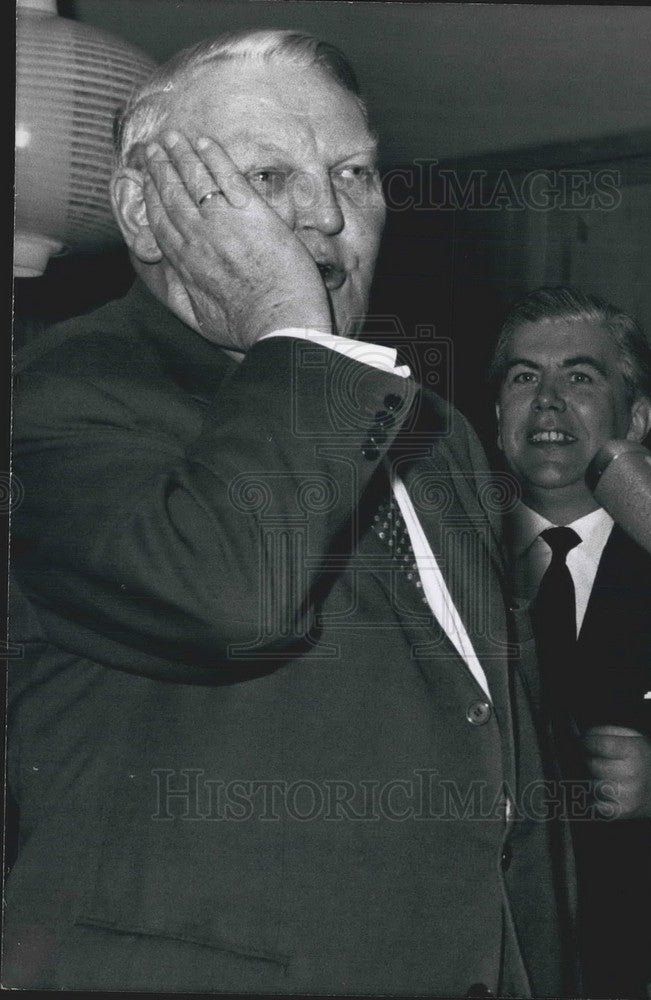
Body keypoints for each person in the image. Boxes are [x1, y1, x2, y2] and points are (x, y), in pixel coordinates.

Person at [6, 30, 577, 996]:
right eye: (267, 175)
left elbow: (496, 750)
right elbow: (229, 598)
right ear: (145, 214)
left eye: (352, 173)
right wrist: (291, 330)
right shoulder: (59, 396)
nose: (322, 219)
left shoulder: (434, 435)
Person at [490, 285, 651, 998]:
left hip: (650, 963)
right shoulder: (439, 564)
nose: (546, 402)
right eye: (521, 378)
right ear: (496, 416)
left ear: (634, 417)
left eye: (579, 377)